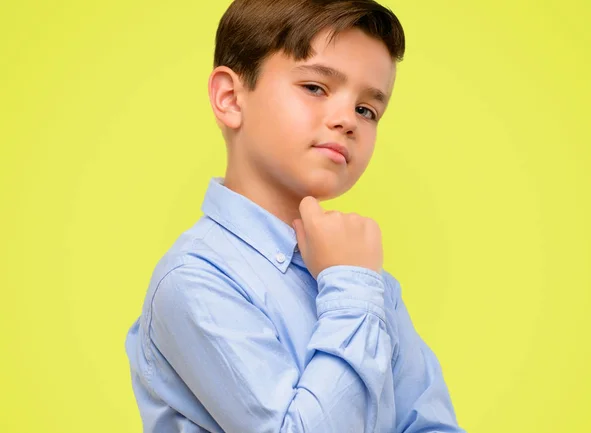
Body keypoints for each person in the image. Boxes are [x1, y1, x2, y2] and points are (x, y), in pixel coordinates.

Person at [125, 0, 466, 431]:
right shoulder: (195, 279)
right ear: (230, 97)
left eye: (367, 110)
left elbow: (430, 425)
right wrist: (352, 288)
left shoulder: (366, 280)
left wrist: (357, 283)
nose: (347, 120)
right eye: (315, 87)